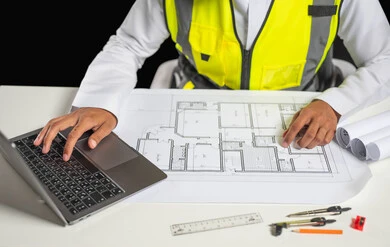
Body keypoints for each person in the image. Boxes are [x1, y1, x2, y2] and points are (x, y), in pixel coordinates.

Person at [34, 0, 390, 162]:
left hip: (302, 116)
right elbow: (128, 44)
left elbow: (384, 59)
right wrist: (101, 101)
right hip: (193, 112)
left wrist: (336, 103)